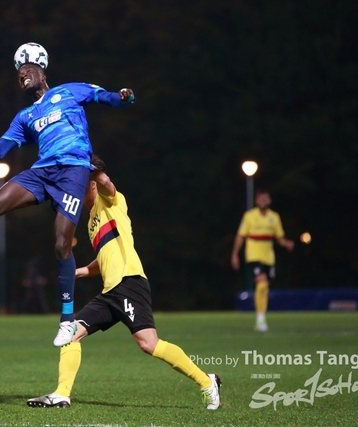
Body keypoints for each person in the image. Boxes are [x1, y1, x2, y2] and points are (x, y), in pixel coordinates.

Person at [0, 42, 136, 347]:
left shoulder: (69, 92)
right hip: (42, 172)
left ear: (42, 72)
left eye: (28, 69)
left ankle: (66, 320)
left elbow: (108, 97)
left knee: (61, 243)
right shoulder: (25, 116)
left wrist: (125, 97)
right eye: (19, 73)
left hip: (72, 170)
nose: (22, 75)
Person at [26, 155, 221, 410]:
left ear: (90, 182)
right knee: (70, 334)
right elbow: (103, 259)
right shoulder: (91, 220)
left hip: (129, 282)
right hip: (110, 291)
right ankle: (62, 394)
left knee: (148, 344)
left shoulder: (111, 201)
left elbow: (107, 183)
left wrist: (87, 168)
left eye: (79, 181)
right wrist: (79, 272)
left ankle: (206, 381)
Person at [231, 188, 294, 332]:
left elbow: (279, 237)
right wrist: (235, 254)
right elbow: (240, 235)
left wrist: (287, 243)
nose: (263, 200)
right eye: (260, 198)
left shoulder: (274, 217)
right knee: (261, 284)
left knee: (265, 287)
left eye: (265, 198)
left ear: (269, 200)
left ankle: (261, 316)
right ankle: (260, 319)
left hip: (269, 258)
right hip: (253, 255)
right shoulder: (249, 216)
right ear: (256, 200)